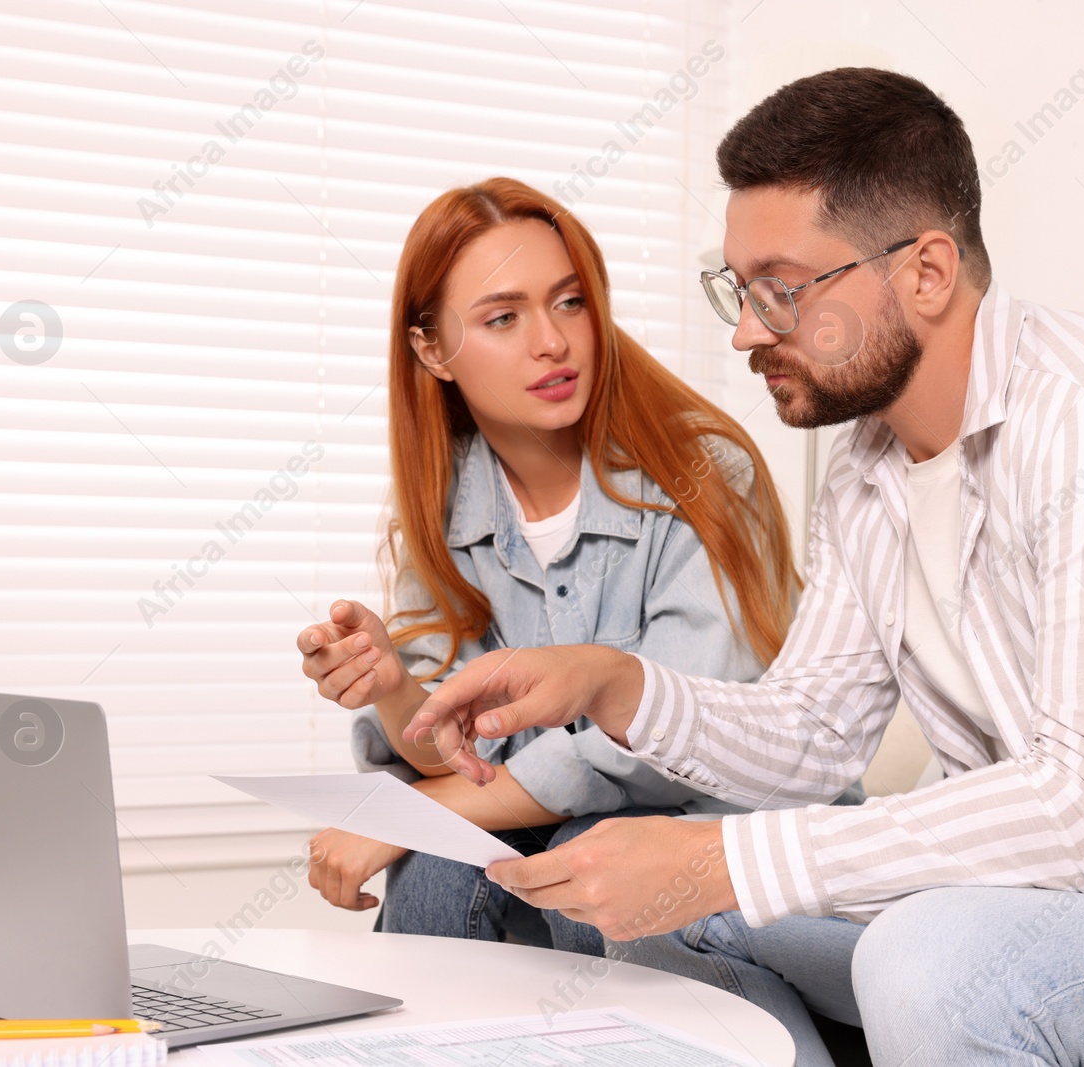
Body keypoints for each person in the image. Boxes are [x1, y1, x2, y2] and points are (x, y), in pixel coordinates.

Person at [405, 70, 1084, 1066]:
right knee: (651, 931)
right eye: (738, 288)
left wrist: (721, 858)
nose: (746, 330)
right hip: (1077, 908)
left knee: (931, 962)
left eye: (782, 291)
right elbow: (809, 736)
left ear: (927, 272)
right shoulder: (867, 471)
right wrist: (611, 682)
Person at [294, 177, 864, 1066]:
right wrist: (399, 688)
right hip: (569, 848)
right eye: (503, 317)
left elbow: (649, 747)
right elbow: (459, 753)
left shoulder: (704, 475)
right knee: (449, 866)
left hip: (729, 838)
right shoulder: (441, 516)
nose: (554, 341)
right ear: (431, 348)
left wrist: (406, 813)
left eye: (568, 303)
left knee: (564, 849)